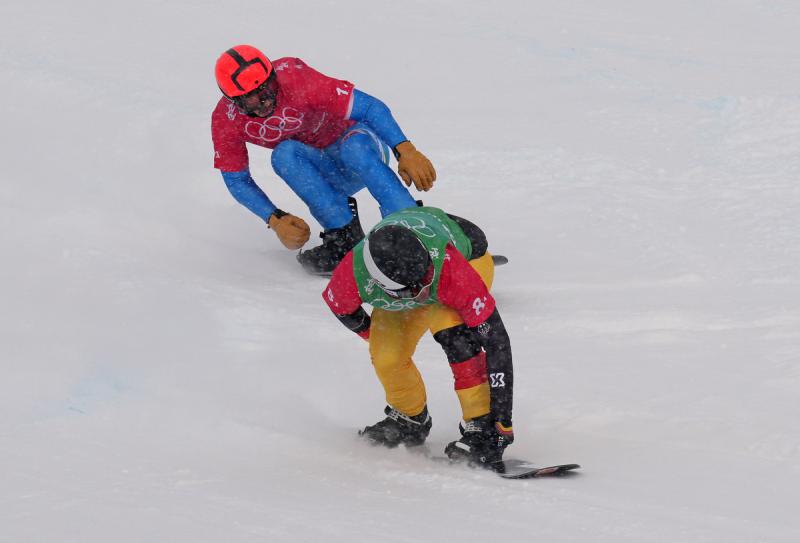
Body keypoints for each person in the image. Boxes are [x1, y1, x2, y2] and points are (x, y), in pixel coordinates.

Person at [212, 45, 437, 274]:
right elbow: (236, 180)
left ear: (273, 76)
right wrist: (275, 218)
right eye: (251, 99)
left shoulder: (294, 77)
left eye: (267, 88)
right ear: (234, 102)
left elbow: (369, 108)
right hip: (324, 171)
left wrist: (404, 149)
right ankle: (343, 237)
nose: (265, 101)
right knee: (284, 154)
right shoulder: (225, 120)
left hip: (361, 147)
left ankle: (409, 225)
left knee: (353, 148)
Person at [322, 205, 514, 465]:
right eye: (415, 290)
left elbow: (496, 342)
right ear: (380, 286)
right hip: (414, 278)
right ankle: (409, 418)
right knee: (387, 355)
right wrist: (373, 336)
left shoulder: (447, 268)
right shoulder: (349, 279)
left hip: (466, 258)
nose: (425, 293)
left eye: (426, 278)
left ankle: (480, 421)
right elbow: (344, 311)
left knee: (453, 334)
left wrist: (500, 422)